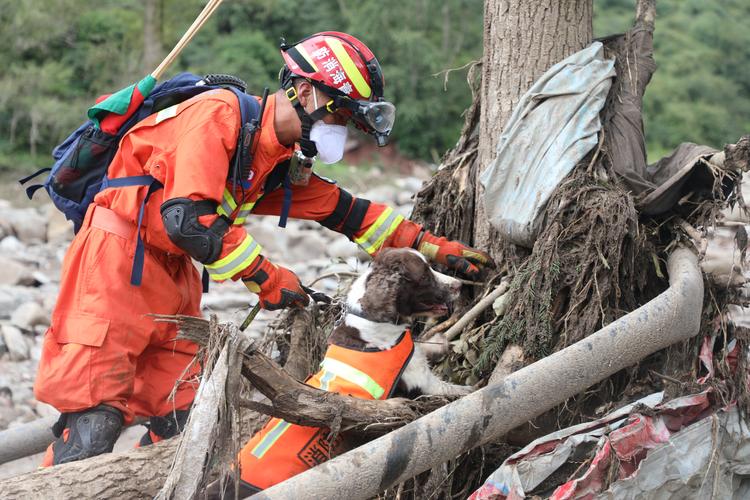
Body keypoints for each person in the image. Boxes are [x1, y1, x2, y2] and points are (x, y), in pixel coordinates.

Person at [34, 31, 492, 466]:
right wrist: (268, 279)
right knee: (92, 420)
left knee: (186, 413)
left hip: (172, 276)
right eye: (340, 117)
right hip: (113, 264)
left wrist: (433, 247)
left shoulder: (268, 155)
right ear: (308, 94)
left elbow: (347, 212)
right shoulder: (218, 116)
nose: (340, 132)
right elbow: (188, 221)